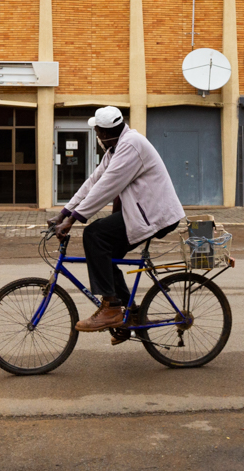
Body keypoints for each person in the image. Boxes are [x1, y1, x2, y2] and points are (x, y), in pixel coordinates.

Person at [48, 106, 184, 336]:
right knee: (104, 255)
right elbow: (94, 181)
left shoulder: (131, 146)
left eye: (98, 132)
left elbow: (105, 186)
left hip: (155, 215)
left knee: (94, 235)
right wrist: (63, 212)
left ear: (104, 132)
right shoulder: (116, 148)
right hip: (143, 213)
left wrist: (73, 220)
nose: (97, 137)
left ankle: (111, 308)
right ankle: (130, 314)